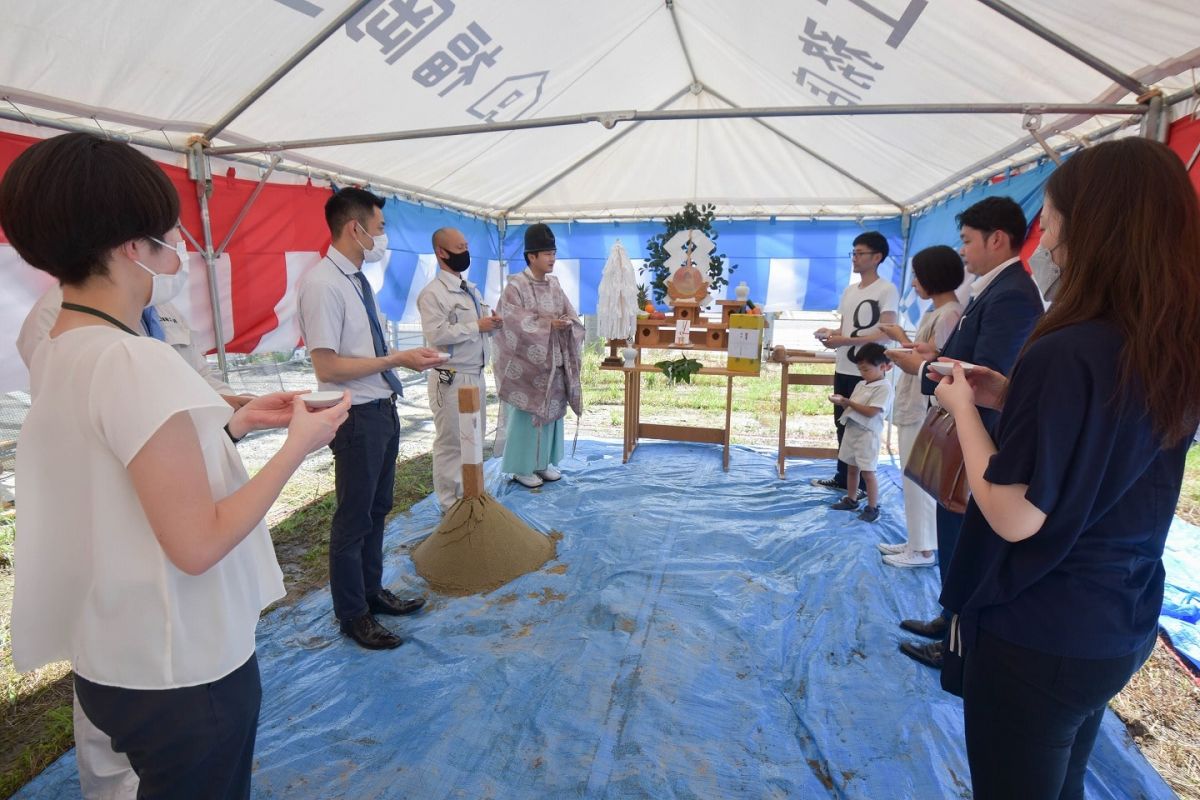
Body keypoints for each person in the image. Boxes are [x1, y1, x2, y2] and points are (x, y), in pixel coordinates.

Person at [1, 132, 351, 799]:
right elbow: (197, 543)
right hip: (184, 673)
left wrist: (238, 420)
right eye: (168, 232)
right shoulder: (134, 358)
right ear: (133, 246)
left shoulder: (66, 346)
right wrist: (296, 447)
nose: (178, 248)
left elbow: (124, 466)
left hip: (116, 659)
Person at [930, 137, 1200, 800]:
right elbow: (1108, 440)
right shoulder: (1172, 341)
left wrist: (963, 407)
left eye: (1049, 223)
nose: (1045, 245)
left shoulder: (1069, 348)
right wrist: (1012, 394)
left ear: (1095, 227)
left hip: (1039, 631)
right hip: (1120, 620)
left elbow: (1014, 515)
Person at [888, 196, 1043, 669]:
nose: (964, 254)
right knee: (953, 530)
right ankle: (948, 614)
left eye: (968, 242)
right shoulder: (992, 289)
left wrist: (923, 366)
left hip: (980, 435)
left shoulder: (1014, 293)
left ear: (997, 239)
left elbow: (985, 372)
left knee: (965, 535)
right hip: (963, 428)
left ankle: (957, 639)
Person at [296, 188, 446, 650]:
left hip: (381, 408)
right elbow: (328, 367)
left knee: (378, 510)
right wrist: (396, 359)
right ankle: (352, 614)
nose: (383, 238)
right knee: (353, 518)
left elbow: (364, 351)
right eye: (379, 229)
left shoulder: (357, 281)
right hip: (356, 415)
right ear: (354, 229)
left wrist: (396, 362)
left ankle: (371, 591)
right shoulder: (323, 284)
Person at [17, 284, 253, 408]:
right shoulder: (56, 317)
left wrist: (231, 407)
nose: (179, 252)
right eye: (171, 236)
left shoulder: (159, 304)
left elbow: (199, 371)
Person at [877, 245, 964, 567]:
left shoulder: (949, 314)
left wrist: (904, 350)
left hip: (926, 406)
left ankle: (924, 549)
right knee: (910, 476)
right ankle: (917, 540)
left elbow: (940, 362)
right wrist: (904, 343)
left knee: (920, 478)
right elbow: (927, 353)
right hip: (915, 400)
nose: (914, 282)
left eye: (917, 276)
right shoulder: (935, 312)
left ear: (933, 276)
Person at [417, 227, 503, 511]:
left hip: (476, 374)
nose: (465, 253)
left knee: (475, 440)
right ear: (441, 252)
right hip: (451, 376)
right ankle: (450, 505)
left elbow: (475, 332)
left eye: (466, 246)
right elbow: (437, 334)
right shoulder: (433, 294)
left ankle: (472, 497)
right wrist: (475, 326)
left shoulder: (471, 290)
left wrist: (490, 326)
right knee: (452, 443)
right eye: (459, 247)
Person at [494, 223, 583, 488]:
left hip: (554, 359)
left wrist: (567, 322)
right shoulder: (516, 286)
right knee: (527, 416)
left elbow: (571, 313)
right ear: (531, 256)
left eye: (553, 253)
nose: (552, 259)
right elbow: (510, 321)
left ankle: (542, 463)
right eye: (547, 254)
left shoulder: (554, 284)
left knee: (552, 413)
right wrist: (547, 325)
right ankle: (521, 468)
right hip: (526, 367)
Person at [812, 231, 898, 499]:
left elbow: (887, 332)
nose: (855, 258)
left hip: (870, 372)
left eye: (860, 253)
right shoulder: (850, 291)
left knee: (863, 426)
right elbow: (847, 326)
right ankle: (843, 478)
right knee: (842, 423)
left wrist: (844, 340)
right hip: (845, 366)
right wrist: (832, 332)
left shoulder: (887, 289)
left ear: (877, 257)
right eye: (854, 253)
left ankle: (861, 486)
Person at [828, 343, 893, 522]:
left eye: (866, 369)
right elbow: (854, 406)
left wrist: (848, 402)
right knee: (851, 467)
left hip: (867, 434)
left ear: (884, 367)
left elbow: (872, 411)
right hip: (852, 430)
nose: (862, 373)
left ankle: (872, 507)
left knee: (868, 472)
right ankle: (851, 499)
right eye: (860, 369)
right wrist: (843, 402)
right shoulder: (861, 384)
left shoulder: (884, 387)